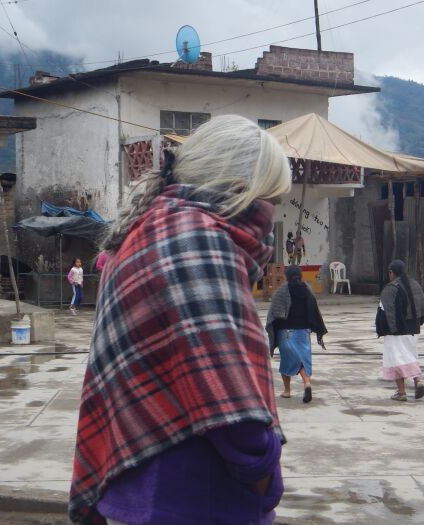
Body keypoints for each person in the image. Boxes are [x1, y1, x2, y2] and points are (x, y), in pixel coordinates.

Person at [69, 115, 291, 525]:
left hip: (136, 484)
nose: (271, 214)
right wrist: (263, 468)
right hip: (195, 497)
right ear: (241, 190)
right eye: (271, 199)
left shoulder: (148, 227)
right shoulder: (195, 237)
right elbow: (227, 397)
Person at [266, 265, 327, 404]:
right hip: (303, 332)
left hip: (286, 331)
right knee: (303, 359)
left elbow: (274, 314)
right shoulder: (307, 290)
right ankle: (307, 383)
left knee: (287, 361)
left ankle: (287, 391)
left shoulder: (281, 291)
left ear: (286, 276)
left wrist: (273, 329)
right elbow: (313, 311)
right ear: (300, 275)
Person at [375, 259, 424, 402]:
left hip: (397, 331)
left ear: (392, 272)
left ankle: (401, 392)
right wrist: (419, 322)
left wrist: (386, 330)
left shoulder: (390, 289)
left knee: (396, 360)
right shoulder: (415, 285)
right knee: (410, 356)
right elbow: (423, 305)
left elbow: (386, 312)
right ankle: (418, 381)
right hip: (414, 329)